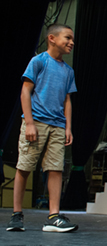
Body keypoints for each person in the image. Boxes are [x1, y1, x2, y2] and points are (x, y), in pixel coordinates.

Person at [7, 24, 78, 233]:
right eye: (68, 37)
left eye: (73, 39)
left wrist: (68, 127)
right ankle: (16, 214)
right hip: (36, 122)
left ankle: (53, 216)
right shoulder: (39, 61)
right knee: (25, 167)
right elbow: (25, 92)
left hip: (57, 125)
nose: (72, 42)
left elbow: (67, 101)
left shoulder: (68, 71)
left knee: (55, 168)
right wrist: (29, 122)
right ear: (52, 38)